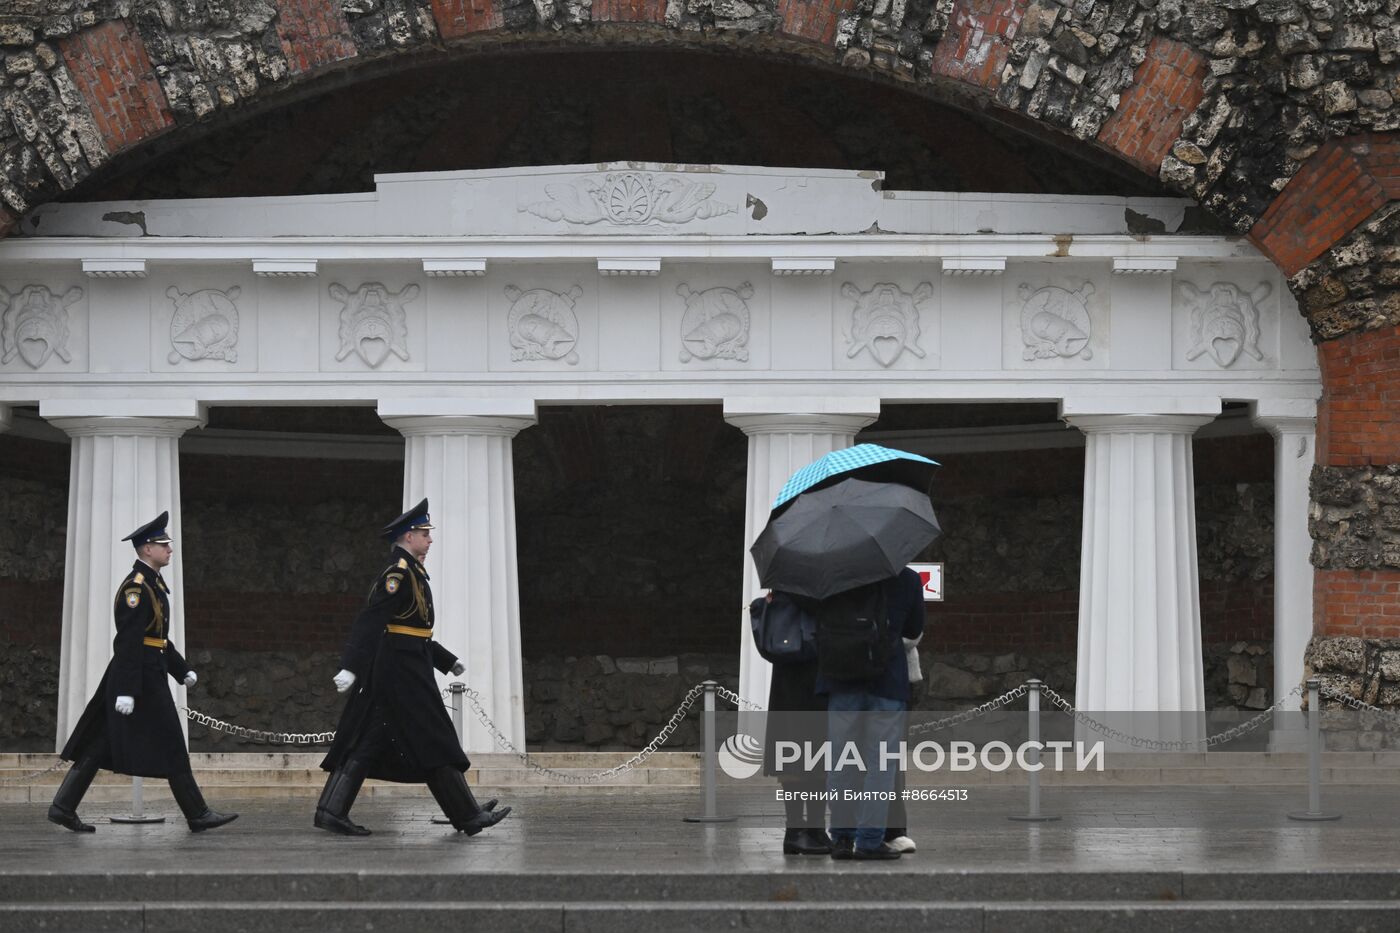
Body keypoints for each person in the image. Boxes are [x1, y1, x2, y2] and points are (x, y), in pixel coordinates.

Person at [315, 498, 511, 837]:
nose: (430, 539)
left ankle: (331, 811)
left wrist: (447, 660)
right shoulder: (398, 574)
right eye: (424, 533)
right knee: (433, 738)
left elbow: (413, 632)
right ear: (408, 536)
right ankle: (467, 815)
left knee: (368, 741)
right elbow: (372, 621)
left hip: (405, 669)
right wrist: (350, 666)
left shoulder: (413, 572)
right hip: (400, 675)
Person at [49, 512, 238, 833]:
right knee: (171, 740)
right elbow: (129, 641)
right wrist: (126, 690)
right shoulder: (135, 589)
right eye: (164, 544)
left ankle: (62, 807)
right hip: (138, 678)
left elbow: (157, 638)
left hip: (147, 673)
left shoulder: (152, 584)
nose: (169, 549)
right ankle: (197, 814)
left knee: (100, 743)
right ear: (147, 549)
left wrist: (181, 669)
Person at [818, 565, 924, 861]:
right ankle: (869, 840)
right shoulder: (907, 579)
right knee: (881, 765)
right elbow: (913, 631)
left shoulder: (835, 574)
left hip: (841, 679)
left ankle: (841, 837)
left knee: (841, 760)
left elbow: (821, 622)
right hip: (887, 681)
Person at [759, 590, 831, 856]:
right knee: (811, 757)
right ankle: (807, 829)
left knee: (803, 758)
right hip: (808, 676)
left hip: (792, 680)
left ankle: (802, 829)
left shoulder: (783, 586)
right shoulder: (820, 588)